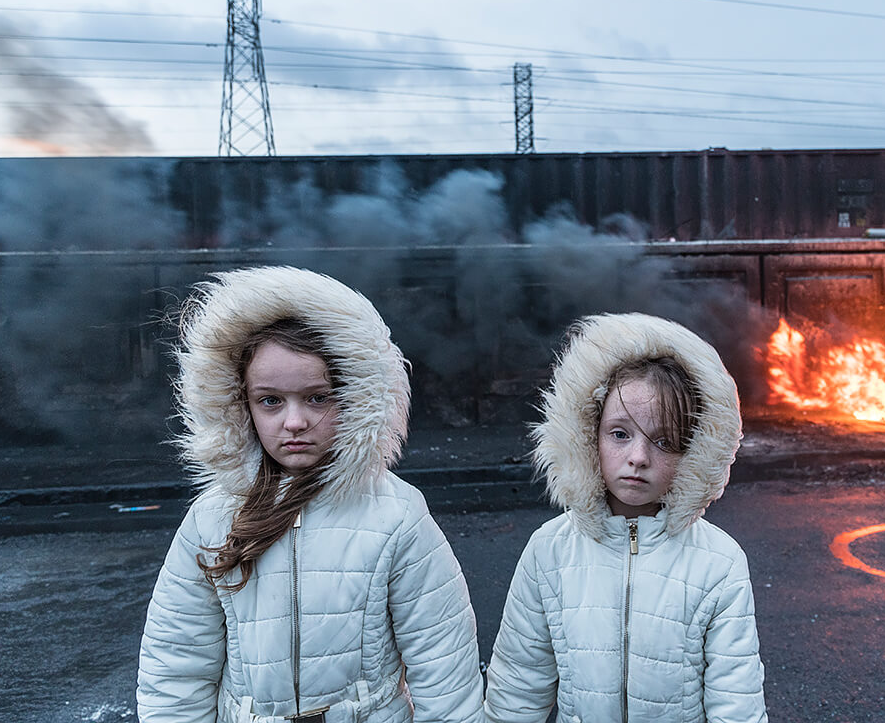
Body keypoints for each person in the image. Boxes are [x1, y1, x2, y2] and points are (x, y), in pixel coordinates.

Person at [137, 265, 484, 723]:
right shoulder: (213, 517)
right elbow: (176, 666)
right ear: (240, 404)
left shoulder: (396, 515)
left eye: (318, 398)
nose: (295, 422)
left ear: (356, 399)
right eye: (271, 401)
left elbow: (443, 664)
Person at [483, 312, 768, 723]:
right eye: (620, 433)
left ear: (694, 452)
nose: (638, 457)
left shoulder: (719, 563)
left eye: (664, 440)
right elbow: (519, 686)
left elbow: (736, 701)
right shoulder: (550, 551)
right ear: (588, 433)